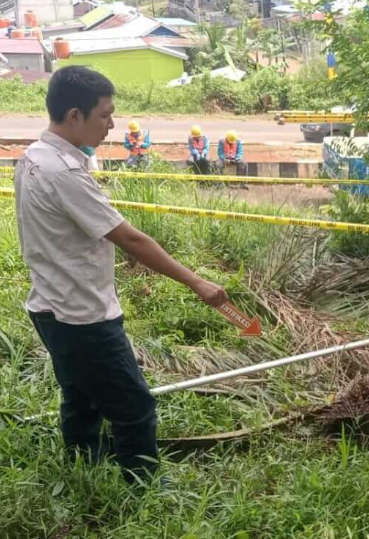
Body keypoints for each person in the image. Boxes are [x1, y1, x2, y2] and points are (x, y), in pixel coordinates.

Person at [13, 66, 228, 484]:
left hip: (49, 305)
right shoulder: (65, 173)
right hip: (83, 314)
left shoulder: (33, 158)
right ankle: (143, 489)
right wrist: (196, 281)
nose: (112, 125)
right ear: (74, 115)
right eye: (105, 115)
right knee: (135, 407)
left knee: (81, 395)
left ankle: (84, 465)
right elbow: (131, 239)